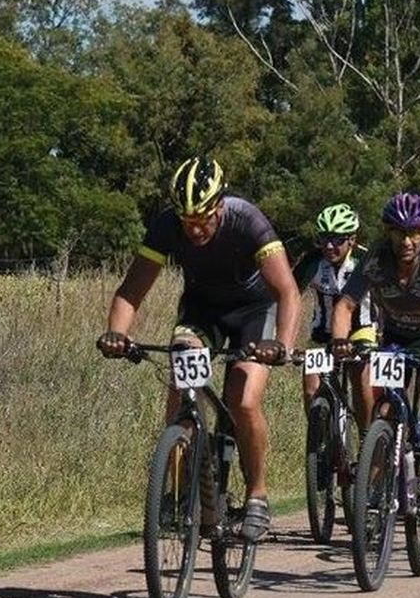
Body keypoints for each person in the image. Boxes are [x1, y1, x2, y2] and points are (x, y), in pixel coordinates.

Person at [97, 156, 300, 543]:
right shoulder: (165, 226)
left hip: (255, 312)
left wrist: (282, 346)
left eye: (203, 218)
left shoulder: (247, 219)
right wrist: (116, 334)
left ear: (220, 205)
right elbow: (130, 291)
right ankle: (180, 488)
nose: (194, 229)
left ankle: (257, 494)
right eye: (186, 221)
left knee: (242, 400)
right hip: (202, 311)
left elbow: (287, 291)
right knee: (180, 375)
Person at [332, 192, 420, 491]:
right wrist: (340, 340)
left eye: (414, 233)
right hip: (395, 335)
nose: (406, 242)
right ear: (388, 232)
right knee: (378, 398)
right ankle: (377, 471)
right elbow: (345, 304)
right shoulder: (376, 259)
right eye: (398, 233)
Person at [301, 203, 376, 430]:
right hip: (322, 332)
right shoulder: (312, 262)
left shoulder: (365, 261)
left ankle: (366, 437)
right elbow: (291, 296)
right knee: (311, 388)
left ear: (352, 240)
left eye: (337, 240)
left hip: (360, 330)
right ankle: (319, 440)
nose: (330, 246)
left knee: (360, 379)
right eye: (324, 239)